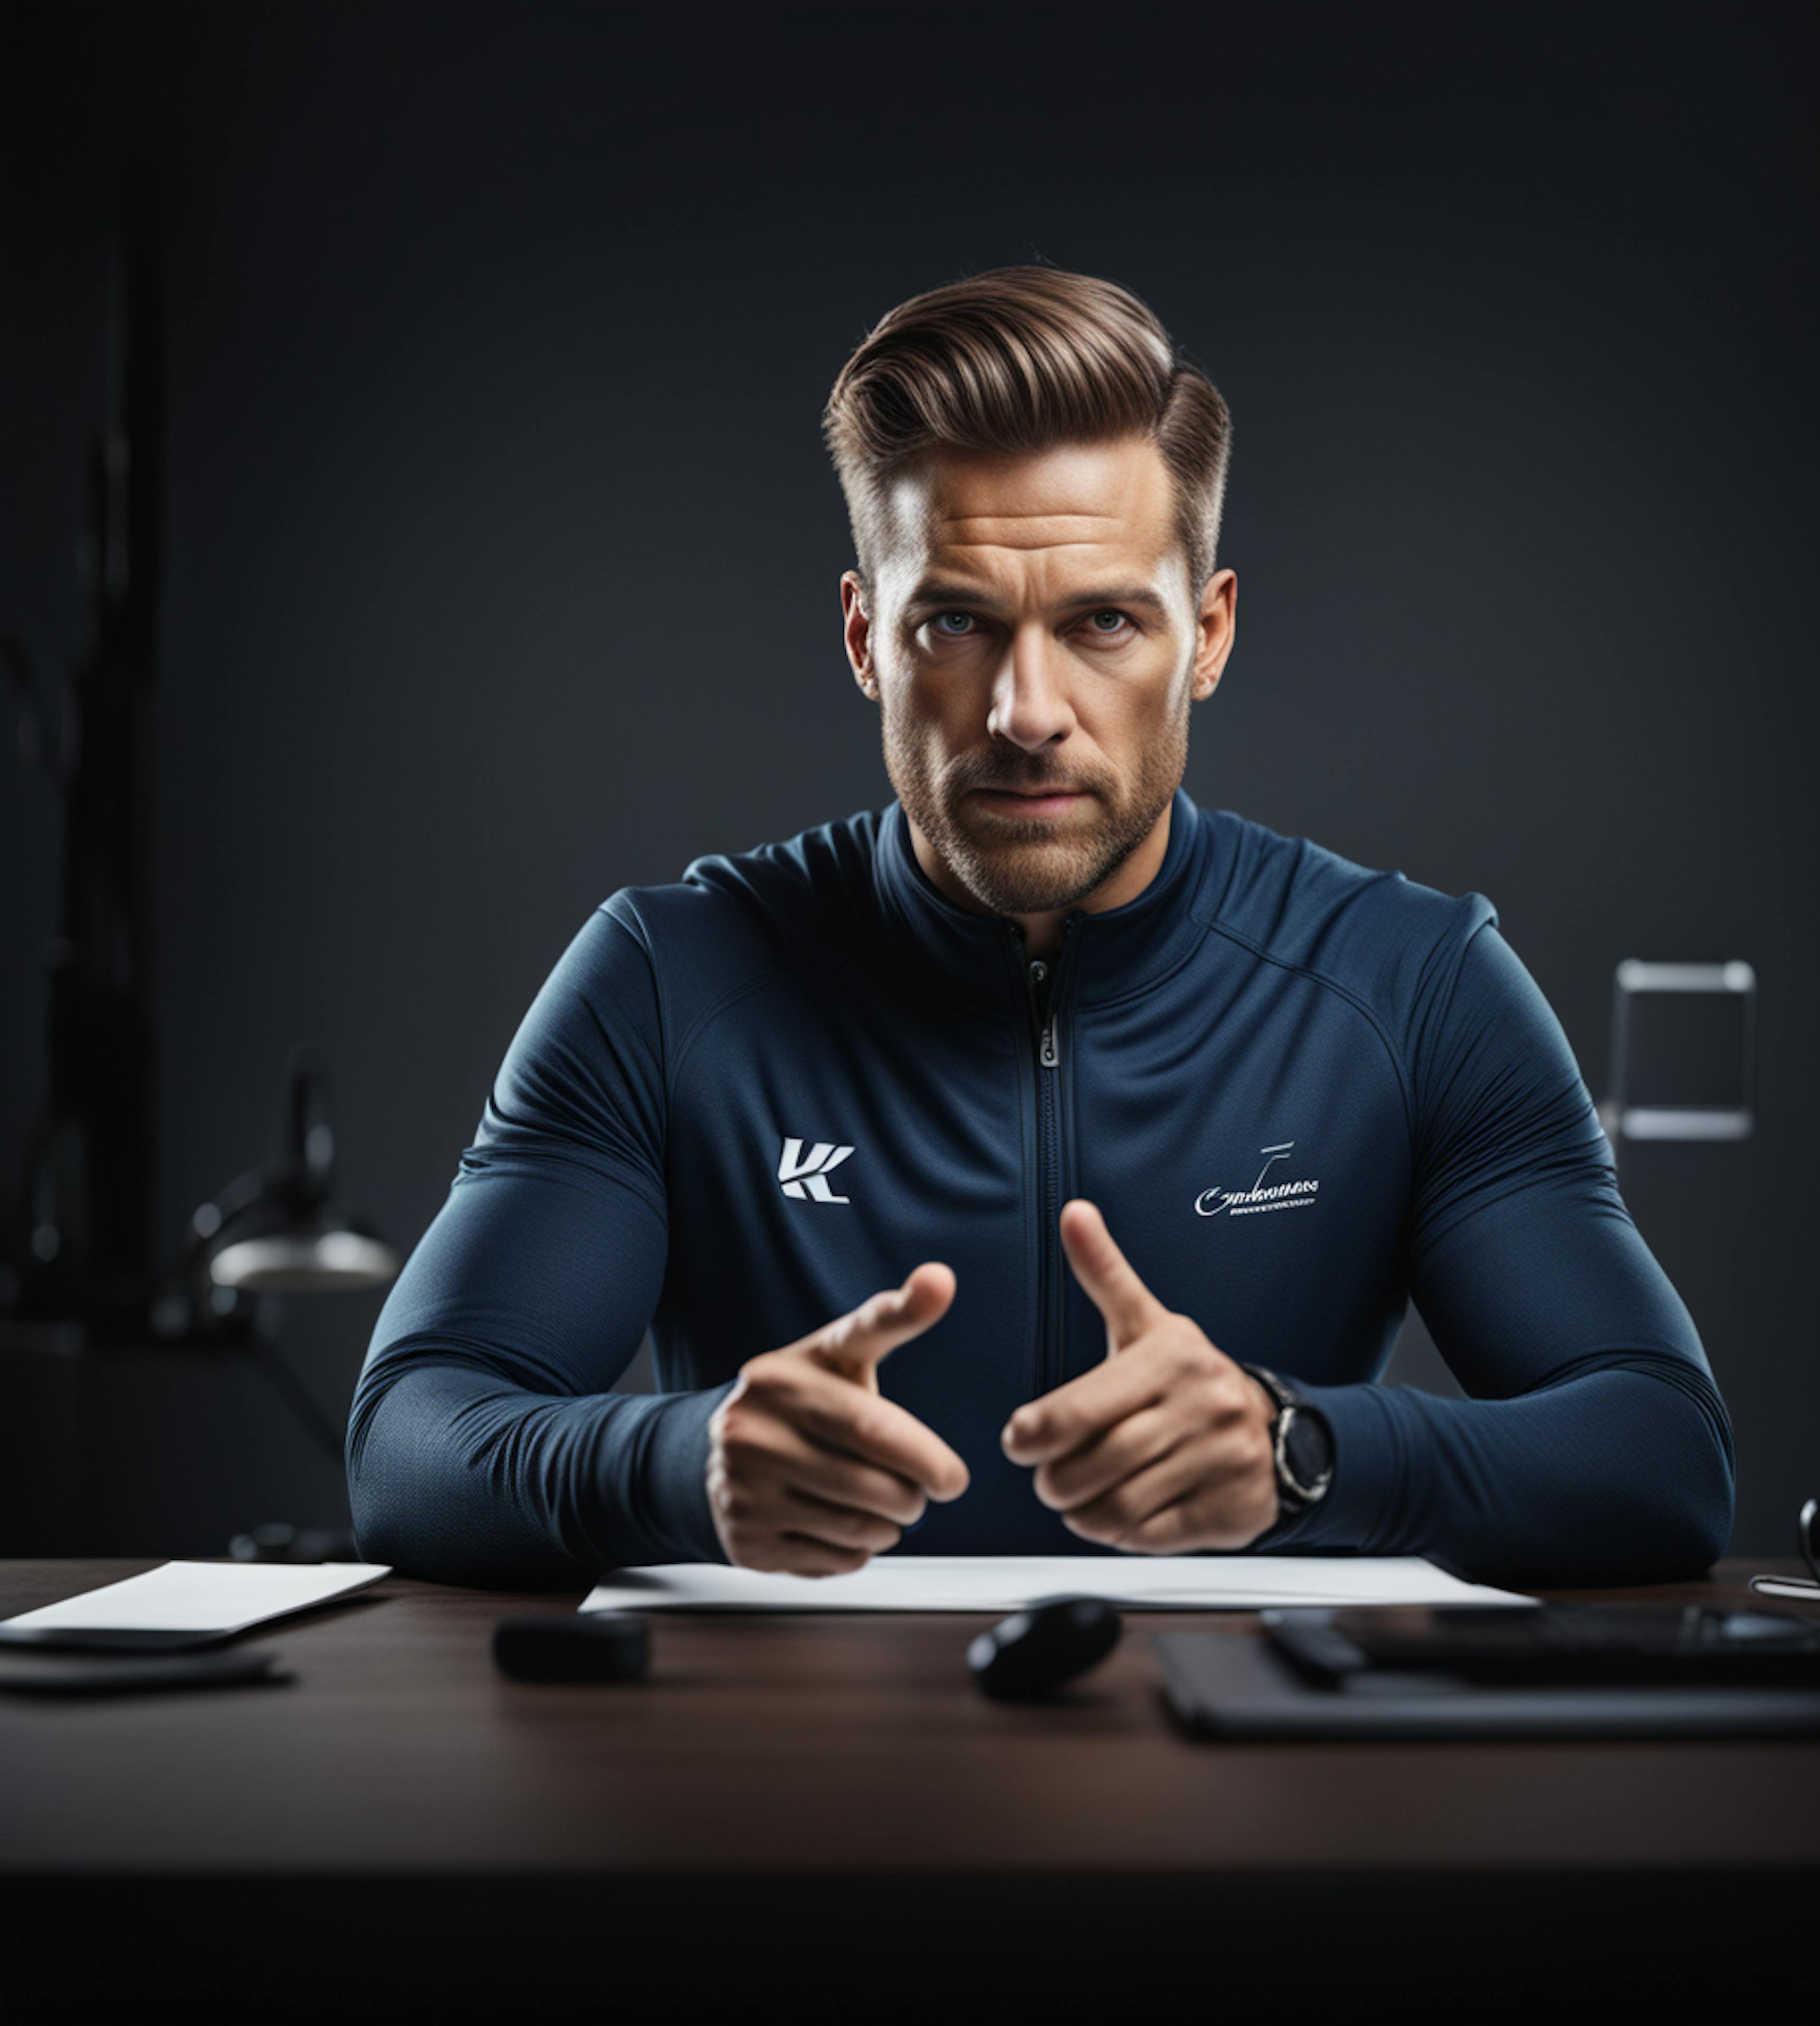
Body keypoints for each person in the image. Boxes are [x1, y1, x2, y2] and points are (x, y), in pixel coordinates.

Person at [346, 266, 1734, 1591]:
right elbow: (412, 1440)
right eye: (955, 620)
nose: (1025, 709)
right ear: (862, 637)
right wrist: (677, 1462)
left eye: (1105, 623)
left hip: (1249, 1793)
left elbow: (1665, 1454)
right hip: (786, 1793)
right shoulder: (668, 979)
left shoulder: (1415, 983)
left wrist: (1305, 1450)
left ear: (1209, 632)